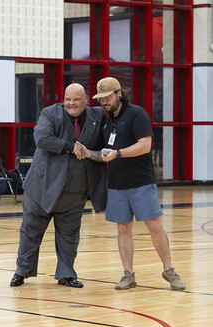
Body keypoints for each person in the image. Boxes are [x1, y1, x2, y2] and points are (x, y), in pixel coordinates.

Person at [92, 77, 185, 291]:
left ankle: (169, 270)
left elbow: (145, 145)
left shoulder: (137, 114)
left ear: (118, 94)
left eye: (107, 97)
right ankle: (128, 274)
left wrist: (118, 153)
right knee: (123, 228)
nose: (104, 102)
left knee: (153, 225)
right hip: (116, 184)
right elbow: (104, 151)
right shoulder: (106, 121)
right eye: (100, 99)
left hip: (141, 182)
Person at [10, 83, 107, 288]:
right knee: (30, 230)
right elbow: (42, 139)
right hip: (42, 187)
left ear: (86, 100)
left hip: (75, 190)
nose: (71, 103)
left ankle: (66, 274)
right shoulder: (49, 113)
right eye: (67, 98)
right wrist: (73, 147)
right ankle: (22, 271)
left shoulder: (97, 116)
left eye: (76, 99)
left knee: (70, 235)